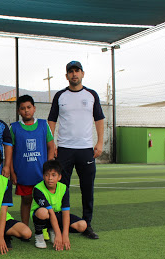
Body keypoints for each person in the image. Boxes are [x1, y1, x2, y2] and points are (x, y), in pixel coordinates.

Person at [48, 61, 104, 239]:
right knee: (60, 188)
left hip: (86, 149)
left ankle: (87, 224)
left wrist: (100, 142)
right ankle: (56, 224)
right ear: (66, 76)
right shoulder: (60, 96)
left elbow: (99, 119)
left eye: (77, 71)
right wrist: (53, 144)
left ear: (82, 74)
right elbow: (52, 121)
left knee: (87, 188)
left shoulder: (91, 95)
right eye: (70, 72)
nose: (74, 74)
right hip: (64, 149)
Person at [10, 94, 54, 228]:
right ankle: (25, 228)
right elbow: (9, 152)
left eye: (29, 107)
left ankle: (44, 228)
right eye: (22, 108)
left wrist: (49, 169)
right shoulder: (14, 127)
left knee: (44, 202)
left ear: (34, 108)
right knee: (26, 200)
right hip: (23, 174)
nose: (26, 110)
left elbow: (51, 146)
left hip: (41, 174)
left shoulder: (43, 124)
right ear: (19, 111)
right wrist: (12, 172)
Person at [31, 160, 88, 250]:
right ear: (43, 176)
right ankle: (39, 235)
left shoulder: (64, 188)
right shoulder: (38, 189)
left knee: (82, 225)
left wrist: (65, 235)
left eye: (53, 175)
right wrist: (58, 234)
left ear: (59, 177)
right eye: (47, 175)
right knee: (43, 212)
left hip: (57, 214)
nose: (50, 178)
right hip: (45, 215)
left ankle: (52, 230)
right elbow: (50, 212)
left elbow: (65, 212)